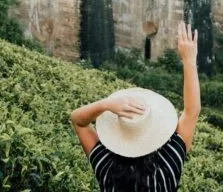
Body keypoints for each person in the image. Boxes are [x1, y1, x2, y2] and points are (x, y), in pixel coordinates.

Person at [71, 22, 201, 191]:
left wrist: (106, 105)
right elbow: (192, 111)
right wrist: (189, 60)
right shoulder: (168, 165)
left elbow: (78, 120)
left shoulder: (106, 169)